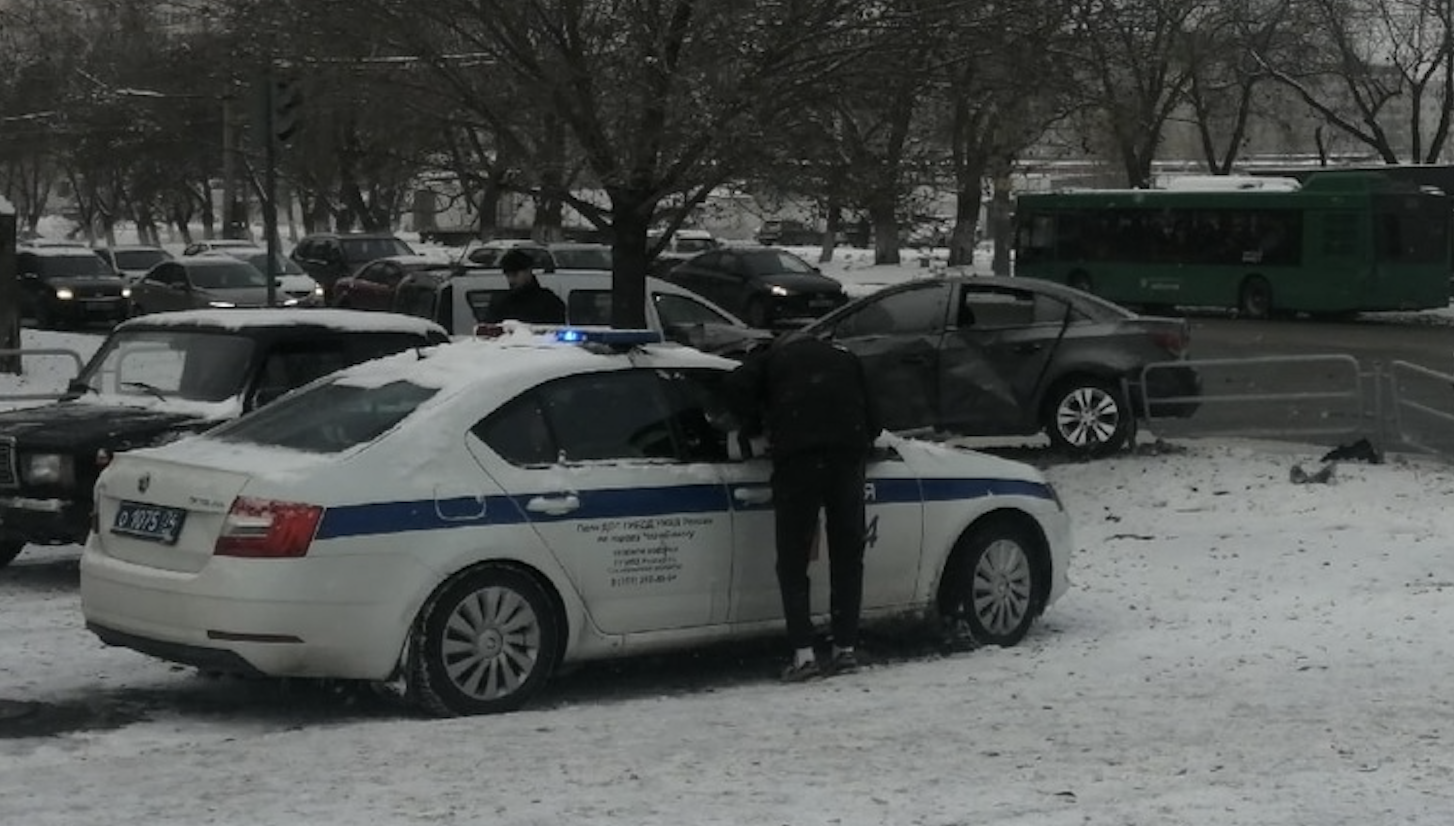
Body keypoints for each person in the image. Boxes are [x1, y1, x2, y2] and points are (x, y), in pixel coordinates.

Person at [723, 333, 882, 682]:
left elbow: (735, 387)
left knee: (794, 559)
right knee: (847, 555)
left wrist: (754, 426)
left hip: (799, 462)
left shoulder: (769, 360)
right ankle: (845, 649)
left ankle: (804, 654)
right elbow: (877, 417)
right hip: (845, 460)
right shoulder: (844, 356)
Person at [483, 248, 566, 324]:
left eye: (515, 275)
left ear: (528, 271)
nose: (511, 280)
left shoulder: (549, 302)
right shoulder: (501, 304)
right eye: (508, 275)